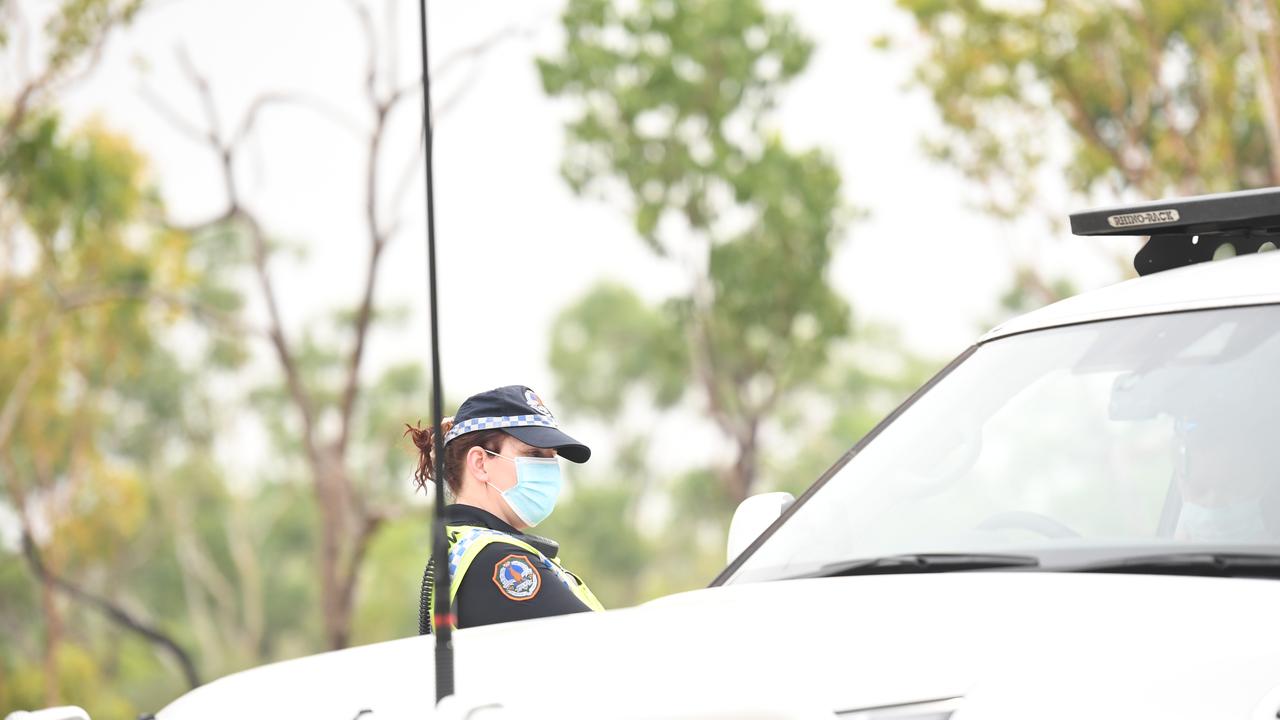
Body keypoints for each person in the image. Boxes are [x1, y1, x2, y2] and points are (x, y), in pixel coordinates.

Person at [406, 385, 604, 631]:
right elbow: (606, 647)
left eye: (552, 456)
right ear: (480, 463)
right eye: (534, 453)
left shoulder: (467, 549)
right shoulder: (498, 561)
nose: (550, 466)